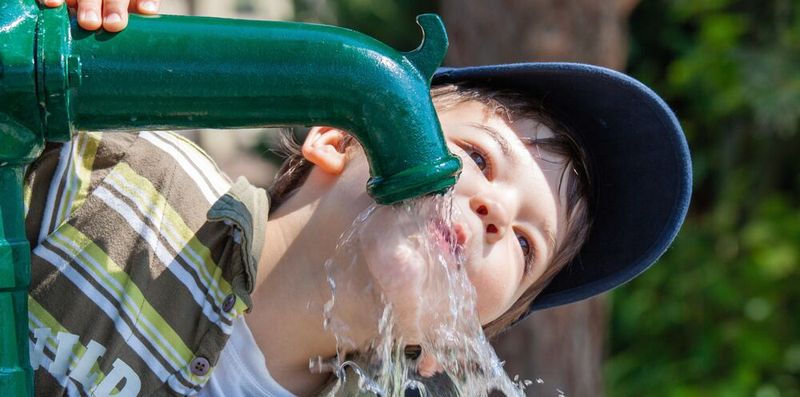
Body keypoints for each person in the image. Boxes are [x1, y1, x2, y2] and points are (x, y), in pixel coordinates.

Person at [27, 2, 692, 396]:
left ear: (458, 342)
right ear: (337, 135)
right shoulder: (119, 173)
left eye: (525, 242)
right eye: (481, 157)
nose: (495, 211)